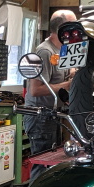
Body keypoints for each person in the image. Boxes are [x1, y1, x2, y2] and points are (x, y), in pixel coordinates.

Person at [23, 9, 76, 154]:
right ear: (62, 29)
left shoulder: (63, 49)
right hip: (41, 117)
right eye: (73, 26)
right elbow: (35, 90)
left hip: (54, 114)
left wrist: (73, 73)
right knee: (43, 161)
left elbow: (66, 73)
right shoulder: (45, 52)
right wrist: (67, 85)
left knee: (55, 160)